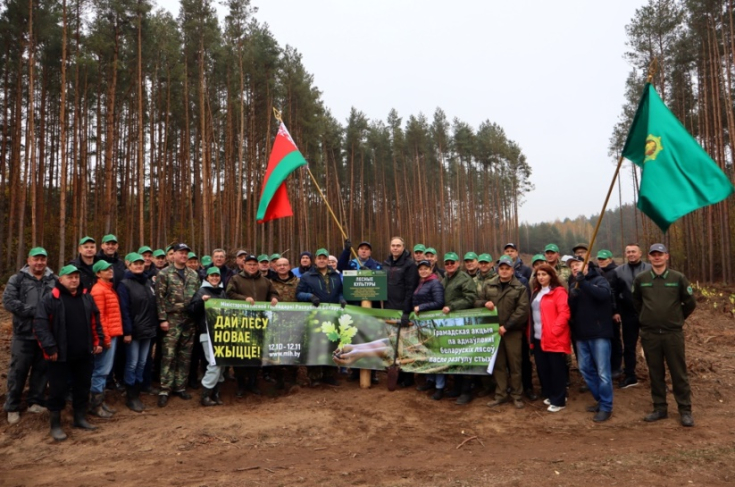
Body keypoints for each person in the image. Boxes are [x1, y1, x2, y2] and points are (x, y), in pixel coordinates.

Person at [34, 265, 105, 441]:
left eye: (76, 277)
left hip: (84, 352)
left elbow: (95, 321)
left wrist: (98, 341)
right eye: (70, 277)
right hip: (59, 355)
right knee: (58, 389)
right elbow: (40, 326)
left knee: (82, 386)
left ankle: (79, 418)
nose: (74, 280)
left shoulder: (87, 298)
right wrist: (50, 348)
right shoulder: (51, 299)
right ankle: (55, 424)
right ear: (61, 279)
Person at [633, 243, 696, 427]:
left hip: (672, 334)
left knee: (679, 373)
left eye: (660, 254)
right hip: (650, 335)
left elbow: (690, 303)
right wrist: (647, 318)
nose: (657, 257)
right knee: (655, 373)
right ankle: (660, 408)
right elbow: (636, 302)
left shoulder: (678, 278)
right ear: (649, 257)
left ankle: (685, 410)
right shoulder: (641, 279)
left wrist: (676, 318)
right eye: (653, 254)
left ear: (667, 256)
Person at [3, 247, 55, 425]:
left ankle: (35, 401)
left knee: (42, 371)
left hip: (45, 335)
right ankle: (12, 406)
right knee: (18, 372)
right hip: (23, 334)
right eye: (36, 259)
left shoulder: (53, 280)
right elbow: (9, 301)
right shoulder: (17, 279)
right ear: (29, 260)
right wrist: (34, 311)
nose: (39, 262)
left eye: (42, 259)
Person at [477, 255, 530, 410]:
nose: (504, 271)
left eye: (507, 268)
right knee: (498, 365)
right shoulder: (489, 285)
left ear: (512, 270)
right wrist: (484, 303)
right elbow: (476, 301)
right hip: (493, 332)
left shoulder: (519, 288)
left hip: (512, 332)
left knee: (515, 365)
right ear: (497, 269)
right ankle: (500, 394)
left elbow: (522, 311)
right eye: (502, 268)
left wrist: (506, 327)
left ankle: (516, 395)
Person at [568, 256, 614, 422]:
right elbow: (571, 311)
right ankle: (601, 401)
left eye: (577, 264)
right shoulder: (574, 284)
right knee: (585, 370)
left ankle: (606, 407)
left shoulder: (599, 280)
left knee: (603, 373)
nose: (574, 268)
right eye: (572, 266)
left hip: (599, 333)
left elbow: (603, 296)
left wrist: (585, 284)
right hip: (581, 334)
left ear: (587, 264)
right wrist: (572, 296)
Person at [227, 254, 280, 395]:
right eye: (249, 264)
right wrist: (243, 298)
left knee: (256, 354)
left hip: (259, 323)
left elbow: (273, 293)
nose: (252, 266)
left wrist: (274, 298)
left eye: (254, 264)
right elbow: (229, 294)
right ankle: (240, 385)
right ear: (244, 265)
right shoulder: (236, 279)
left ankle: (252, 383)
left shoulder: (266, 281)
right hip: (241, 323)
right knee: (240, 355)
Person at [155, 243, 200, 407]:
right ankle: (165, 388)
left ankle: (180, 386)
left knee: (185, 355)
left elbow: (197, 296)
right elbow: (159, 298)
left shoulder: (193, 275)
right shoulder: (164, 274)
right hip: (172, 319)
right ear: (173, 255)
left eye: (185, 253)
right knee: (169, 354)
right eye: (180, 253)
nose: (183, 256)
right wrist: (162, 319)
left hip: (189, 320)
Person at [296, 248, 346, 386]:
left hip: (333, 315)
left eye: (324, 258)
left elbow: (340, 292)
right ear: (315, 260)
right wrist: (310, 296)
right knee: (315, 344)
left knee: (332, 343)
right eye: (319, 258)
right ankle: (314, 376)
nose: (322, 260)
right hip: (315, 315)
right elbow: (299, 294)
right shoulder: (307, 276)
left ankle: (330, 375)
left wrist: (342, 299)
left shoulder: (335, 275)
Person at [118, 252, 158, 413]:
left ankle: (137, 391)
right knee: (132, 363)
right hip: (133, 331)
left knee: (142, 363)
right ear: (129, 265)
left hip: (148, 330)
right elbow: (124, 310)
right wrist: (127, 331)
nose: (139, 266)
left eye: (141, 263)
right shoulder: (124, 284)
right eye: (135, 263)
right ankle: (130, 397)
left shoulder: (147, 282)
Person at [529, 264, 571, 413]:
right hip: (538, 337)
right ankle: (552, 394)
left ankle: (559, 400)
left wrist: (555, 331)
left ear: (551, 276)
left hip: (553, 337)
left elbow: (564, 313)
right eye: (538, 274)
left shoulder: (559, 292)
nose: (541, 277)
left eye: (544, 274)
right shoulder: (536, 292)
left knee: (557, 369)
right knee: (543, 369)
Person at [611, 243, 651, 389]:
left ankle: (657, 377)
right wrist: (615, 310)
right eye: (628, 252)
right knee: (629, 346)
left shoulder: (649, 269)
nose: (631, 254)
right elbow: (613, 292)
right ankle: (630, 375)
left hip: (648, 313)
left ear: (640, 253)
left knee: (652, 346)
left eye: (634, 251)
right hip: (628, 314)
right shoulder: (618, 271)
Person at [187, 267, 228, 406]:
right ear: (207, 278)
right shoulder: (201, 292)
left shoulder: (222, 292)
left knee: (222, 364)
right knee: (214, 363)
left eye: (217, 276)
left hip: (222, 333)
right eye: (212, 276)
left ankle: (216, 394)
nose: (215, 278)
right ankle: (205, 394)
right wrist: (201, 302)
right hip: (207, 333)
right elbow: (191, 310)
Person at [441, 252, 478, 405]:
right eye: (447, 263)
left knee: (465, 356)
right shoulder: (445, 279)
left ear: (457, 263)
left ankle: (466, 391)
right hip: (450, 324)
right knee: (453, 355)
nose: (449, 265)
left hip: (464, 322)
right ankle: (456, 386)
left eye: (452, 263)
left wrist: (452, 306)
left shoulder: (464, 279)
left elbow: (471, 298)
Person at [88, 260, 123, 418]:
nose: (110, 271)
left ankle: (100, 402)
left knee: (104, 371)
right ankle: (95, 405)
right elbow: (99, 317)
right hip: (106, 337)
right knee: (100, 371)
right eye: (105, 269)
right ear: (98, 273)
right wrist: (104, 338)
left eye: (110, 268)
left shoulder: (108, 288)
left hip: (112, 334)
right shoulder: (98, 290)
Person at [383, 237, 419, 387]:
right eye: (393, 245)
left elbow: (411, 288)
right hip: (388, 308)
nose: (395, 248)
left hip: (402, 309)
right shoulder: (385, 264)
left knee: (405, 345)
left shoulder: (409, 264)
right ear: (390, 247)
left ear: (403, 247)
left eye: (398, 246)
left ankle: (408, 377)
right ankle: (397, 373)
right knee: (393, 344)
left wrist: (406, 311)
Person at [412, 260, 446, 399]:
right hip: (423, 324)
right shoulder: (421, 283)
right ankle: (430, 380)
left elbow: (439, 302)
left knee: (436, 355)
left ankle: (440, 386)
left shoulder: (435, 283)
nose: (423, 271)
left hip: (433, 323)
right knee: (427, 353)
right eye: (421, 269)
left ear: (431, 269)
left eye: (426, 268)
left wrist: (422, 307)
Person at [269, 257, 300, 389]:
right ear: (275, 267)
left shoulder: (298, 282)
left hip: (294, 322)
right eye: (279, 265)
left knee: (293, 350)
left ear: (289, 266)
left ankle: (292, 379)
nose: (282, 267)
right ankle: (278, 380)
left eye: (284, 265)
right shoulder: (269, 282)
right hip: (276, 323)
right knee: (276, 351)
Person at [597, 249, 622, 380]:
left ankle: (616, 367)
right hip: (601, 312)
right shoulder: (598, 272)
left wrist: (616, 311)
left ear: (610, 260)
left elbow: (616, 294)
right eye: (599, 259)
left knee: (615, 339)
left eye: (604, 259)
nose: (601, 261)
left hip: (613, 312)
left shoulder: (615, 272)